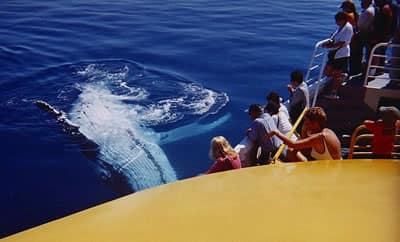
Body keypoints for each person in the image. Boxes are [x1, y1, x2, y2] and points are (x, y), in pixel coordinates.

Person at [267, 107, 342, 160]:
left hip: (332, 172)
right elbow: (302, 141)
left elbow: (294, 145)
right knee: (292, 151)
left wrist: (276, 133)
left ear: (315, 123)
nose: (305, 124)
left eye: (307, 122)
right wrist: (304, 130)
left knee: (291, 150)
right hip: (328, 167)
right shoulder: (325, 131)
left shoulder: (320, 137)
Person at [323, 11, 354, 99]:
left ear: (342, 20)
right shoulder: (341, 27)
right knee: (327, 72)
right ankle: (342, 76)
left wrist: (329, 46)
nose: (336, 22)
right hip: (335, 54)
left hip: (341, 54)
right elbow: (335, 36)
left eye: (337, 20)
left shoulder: (348, 28)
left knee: (336, 74)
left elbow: (342, 42)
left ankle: (334, 93)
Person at [352, 0, 375, 75]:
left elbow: (360, 25)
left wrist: (356, 28)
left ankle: (357, 70)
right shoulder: (373, 9)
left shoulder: (367, 12)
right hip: (370, 35)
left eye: (363, 1)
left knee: (357, 53)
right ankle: (367, 70)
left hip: (365, 35)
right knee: (369, 54)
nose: (361, 3)